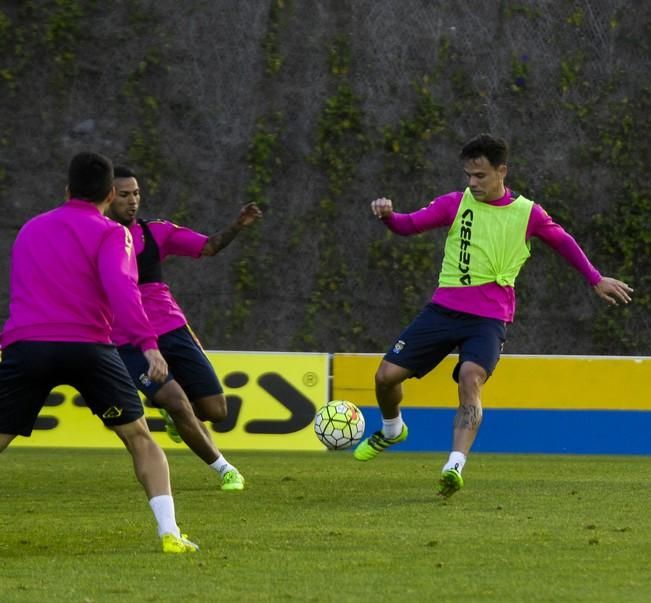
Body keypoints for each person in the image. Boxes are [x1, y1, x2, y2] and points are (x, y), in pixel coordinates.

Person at [353, 133, 633, 497]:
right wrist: (389, 216)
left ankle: (454, 465)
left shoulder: (528, 213)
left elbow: (563, 240)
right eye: (468, 175)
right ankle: (392, 429)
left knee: (470, 378)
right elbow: (409, 225)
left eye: (480, 175)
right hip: (442, 311)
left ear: (502, 171)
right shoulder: (455, 204)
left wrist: (595, 279)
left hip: (488, 319)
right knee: (385, 377)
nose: (472, 183)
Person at [0, 151, 198, 553]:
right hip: (88, 347)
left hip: (28, 345)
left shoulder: (30, 229)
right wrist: (148, 344)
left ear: (67, 189)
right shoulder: (112, 233)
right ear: (110, 194)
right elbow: (123, 291)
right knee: (140, 439)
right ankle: (170, 534)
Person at [106, 165, 262, 492]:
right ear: (109, 197)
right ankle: (226, 469)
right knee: (177, 402)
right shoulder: (96, 237)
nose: (132, 201)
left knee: (215, 411)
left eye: (136, 193)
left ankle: (172, 412)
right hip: (129, 339)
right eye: (124, 195)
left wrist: (237, 225)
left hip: (172, 328)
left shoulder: (156, 232)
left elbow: (209, 246)